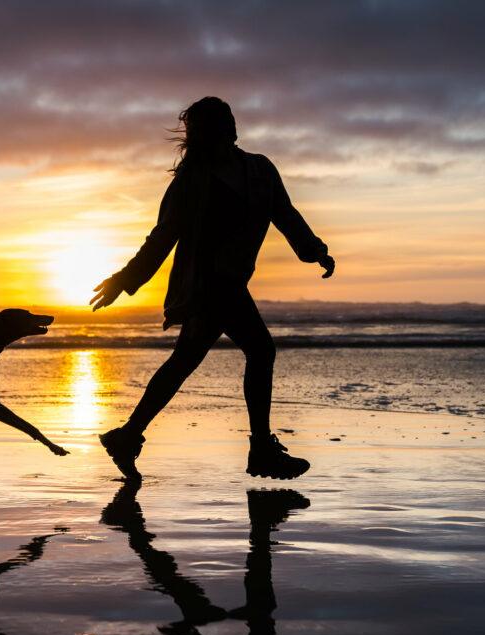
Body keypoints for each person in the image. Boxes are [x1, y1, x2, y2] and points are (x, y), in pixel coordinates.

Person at [90, 96, 335, 481]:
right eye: (219, 124)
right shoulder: (192, 181)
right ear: (204, 133)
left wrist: (314, 250)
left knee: (185, 361)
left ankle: (128, 436)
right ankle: (260, 450)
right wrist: (126, 278)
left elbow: (284, 213)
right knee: (260, 349)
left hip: (233, 282)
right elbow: (163, 236)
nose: (229, 129)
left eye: (229, 121)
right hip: (207, 287)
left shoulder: (259, 169)